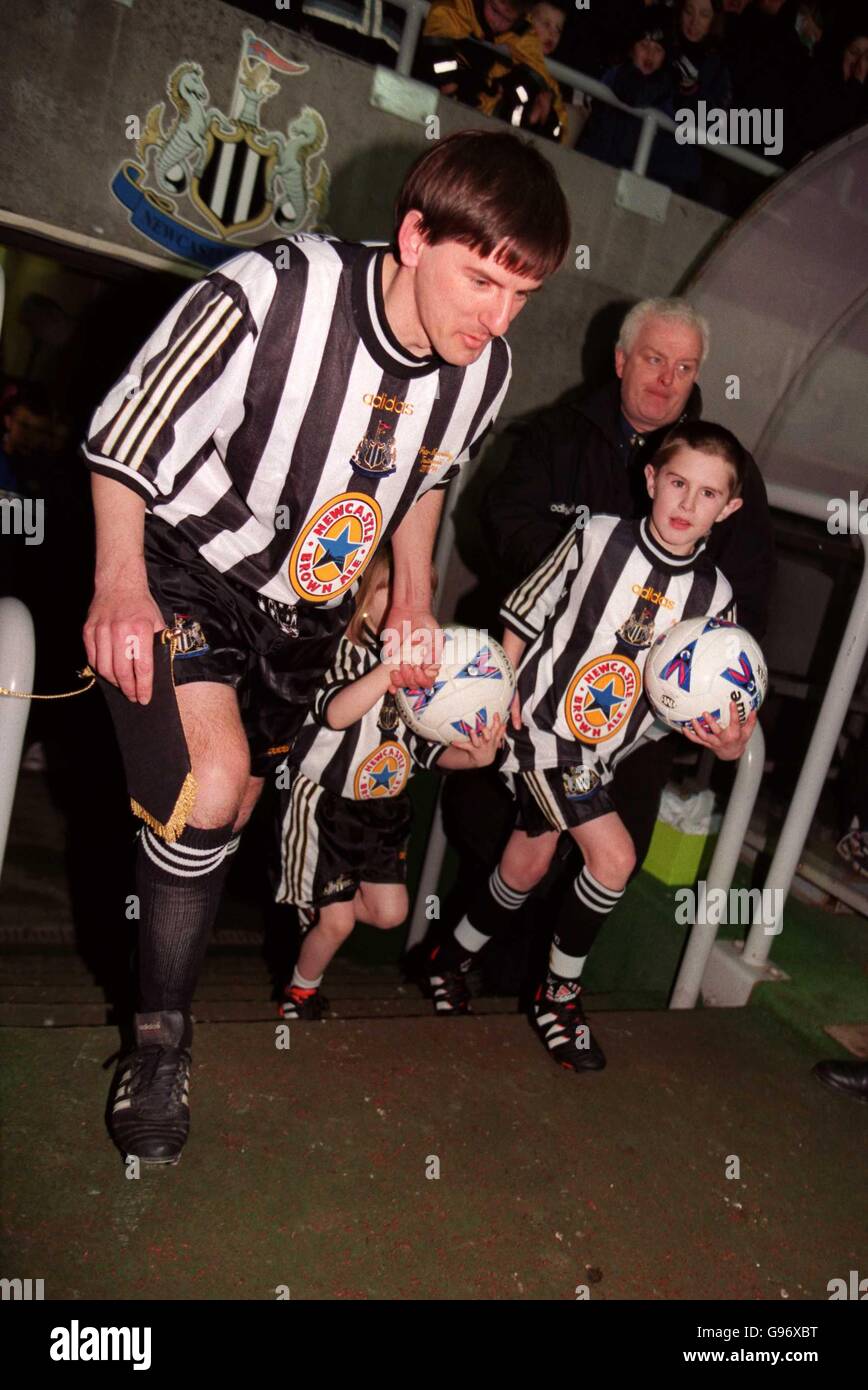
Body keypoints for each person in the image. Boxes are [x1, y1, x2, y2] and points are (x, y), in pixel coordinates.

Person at [81, 129, 571, 1165]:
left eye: (520, 295)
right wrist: (119, 583)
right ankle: (159, 1045)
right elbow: (126, 431)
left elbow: (429, 475)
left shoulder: (482, 372)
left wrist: (415, 594)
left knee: (237, 812)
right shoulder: (275, 293)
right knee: (206, 788)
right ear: (411, 235)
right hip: (185, 564)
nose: (496, 318)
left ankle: (179, 970)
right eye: (480, 280)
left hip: (304, 619)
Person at [435, 298, 772, 985]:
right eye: (653, 359)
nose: (667, 377)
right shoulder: (561, 451)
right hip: (547, 710)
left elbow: (733, 627)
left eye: (684, 367)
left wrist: (722, 720)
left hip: (632, 727)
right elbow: (508, 550)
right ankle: (549, 990)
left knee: (540, 858)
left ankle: (454, 959)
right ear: (620, 360)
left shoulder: (726, 471)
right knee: (584, 855)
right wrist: (595, 594)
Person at [428, 422, 754, 1069]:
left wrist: (731, 738)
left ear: (729, 508)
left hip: (605, 752)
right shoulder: (598, 536)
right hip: (541, 730)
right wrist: (500, 689)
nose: (688, 505)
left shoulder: (716, 598)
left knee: (525, 866)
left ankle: (449, 957)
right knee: (613, 860)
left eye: (708, 494)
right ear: (651, 479)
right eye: (679, 484)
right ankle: (558, 995)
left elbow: (718, 715)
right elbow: (525, 608)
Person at [276, 547, 505, 1019]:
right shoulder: (339, 649)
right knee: (337, 921)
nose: (405, 604)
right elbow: (337, 712)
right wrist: (389, 672)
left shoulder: (426, 668)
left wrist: (474, 756)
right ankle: (300, 992)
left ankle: (319, 915)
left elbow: (426, 749)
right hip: (324, 803)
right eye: (390, 589)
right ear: (360, 593)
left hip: (384, 811)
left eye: (417, 594)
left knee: (390, 914)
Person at [419, 0, 568, 141]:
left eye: (508, 19)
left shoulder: (522, 31)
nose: (498, 23)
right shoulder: (462, 5)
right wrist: (450, 85)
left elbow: (538, 71)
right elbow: (439, 35)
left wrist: (542, 98)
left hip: (479, 121)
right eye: (495, 11)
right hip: (427, 95)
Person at [578, 8, 679, 181]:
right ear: (631, 49)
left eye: (658, 50)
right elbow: (634, 93)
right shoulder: (616, 74)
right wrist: (663, 83)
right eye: (644, 45)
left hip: (634, 178)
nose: (650, 54)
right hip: (593, 164)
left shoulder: (667, 93)